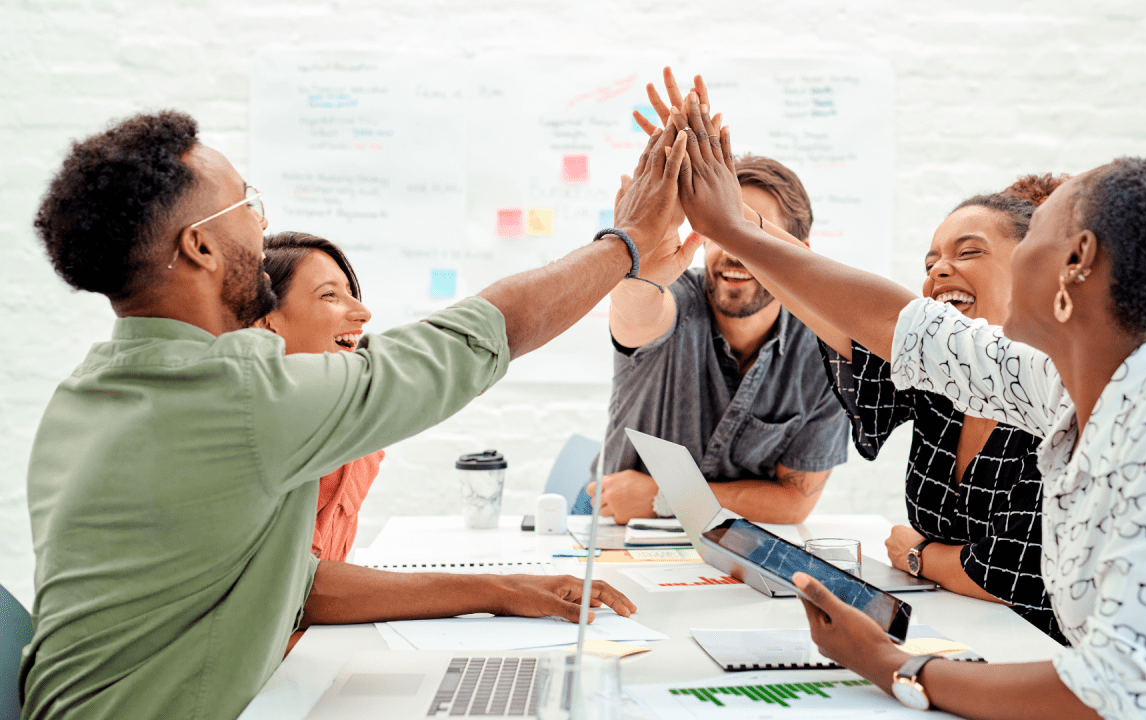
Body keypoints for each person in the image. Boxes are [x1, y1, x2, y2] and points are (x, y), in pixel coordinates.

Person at [22, 109, 689, 720]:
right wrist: (625, 242)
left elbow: (291, 581)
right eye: (248, 203)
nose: (260, 223)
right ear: (198, 246)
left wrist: (500, 588)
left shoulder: (84, 395)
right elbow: (479, 338)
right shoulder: (242, 394)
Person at [669, 92, 1146, 719]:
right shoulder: (1061, 386)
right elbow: (899, 325)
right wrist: (735, 232)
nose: (938, 277)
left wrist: (891, 664)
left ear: (1078, 261)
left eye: (1035, 231)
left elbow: (1118, 692)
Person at [588, 72, 848, 525]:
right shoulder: (675, 298)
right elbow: (635, 314)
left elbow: (795, 503)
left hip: (732, 547)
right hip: (613, 528)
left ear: (798, 255)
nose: (731, 249)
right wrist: (639, 258)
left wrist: (667, 496)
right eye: (719, 230)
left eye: (749, 232)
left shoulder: (827, 353)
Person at [819, 175, 1069, 644]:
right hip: (955, 633)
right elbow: (839, 316)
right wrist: (739, 229)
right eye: (931, 261)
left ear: (1034, 265)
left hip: (1039, 658)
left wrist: (919, 555)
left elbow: (1015, 576)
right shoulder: (942, 389)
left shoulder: (1060, 394)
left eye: (969, 252)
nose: (939, 271)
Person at [254, 231, 381, 563]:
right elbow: (301, 588)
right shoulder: (245, 433)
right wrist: (497, 593)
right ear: (265, 322)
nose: (363, 312)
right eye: (329, 295)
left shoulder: (360, 437)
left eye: (351, 294)